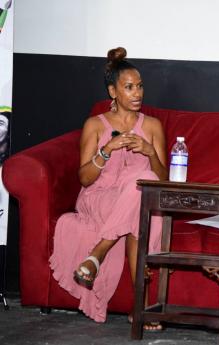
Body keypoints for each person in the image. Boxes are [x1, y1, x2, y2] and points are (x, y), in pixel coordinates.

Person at [50, 47, 168, 328]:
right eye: (129, 87)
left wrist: (150, 151)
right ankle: (140, 306)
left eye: (140, 86)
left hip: (138, 198)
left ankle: (98, 253)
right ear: (113, 92)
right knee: (141, 204)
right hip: (99, 198)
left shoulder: (152, 126)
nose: (137, 93)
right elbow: (85, 179)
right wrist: (106, 149)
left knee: (144, 187)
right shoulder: (95, 125)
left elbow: (164, 180)